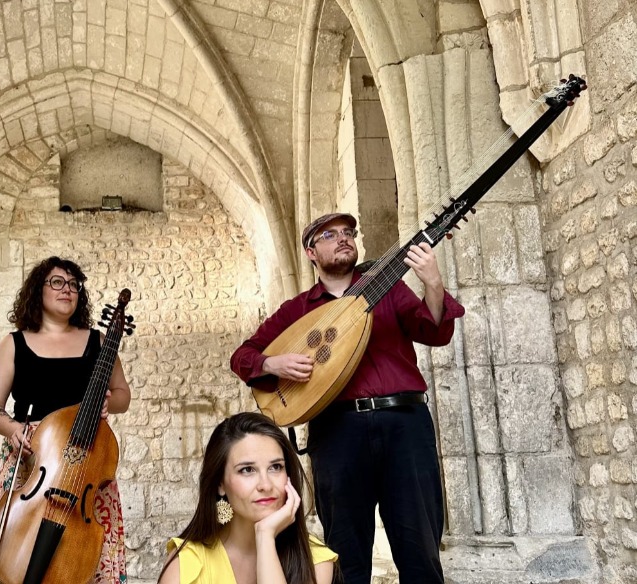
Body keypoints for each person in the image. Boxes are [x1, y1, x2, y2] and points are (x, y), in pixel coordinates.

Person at [230, 212, 465, 584]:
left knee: (420, 549)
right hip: (337, 432)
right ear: (311, 252)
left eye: (347, 232)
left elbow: (434, 332)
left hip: (404, 425)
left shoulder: (388, 290)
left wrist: (433, 282)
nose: (342, 238)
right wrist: (274, 363)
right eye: (329, 235)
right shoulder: (297, 310)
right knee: (346, 555)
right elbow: (242, 357)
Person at [0, 256, 132, 583]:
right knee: (14, 557)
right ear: (38, 290)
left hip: (85, 461)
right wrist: (13, 429)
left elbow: (122, 395)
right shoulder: (14, 343)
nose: (68, 290)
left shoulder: (99, 342)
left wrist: (107, 402)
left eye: (74, 285)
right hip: (33, 457)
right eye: (58, 282)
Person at [159, 412, 337, 584]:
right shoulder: (186, 564)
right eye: (247, 470)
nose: (266, 485)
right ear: (220, 484)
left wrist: (265, 537)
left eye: (276, 467)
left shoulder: (315, 560)